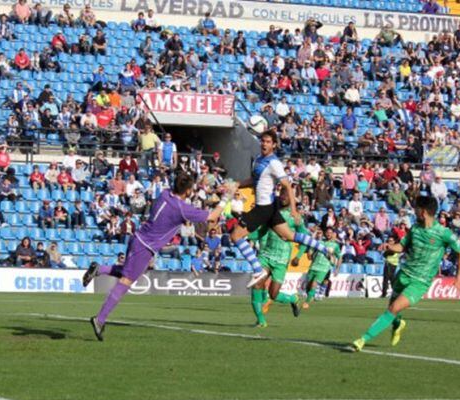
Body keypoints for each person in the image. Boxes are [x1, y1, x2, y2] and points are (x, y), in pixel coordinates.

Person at [81, 172, 236, 341]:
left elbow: (182, 191)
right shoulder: (182, 209)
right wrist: (225, 198)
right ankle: (100, 319)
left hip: (139, 239)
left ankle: (99, 269)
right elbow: (213, 216)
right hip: (145, 246)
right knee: (126, 281)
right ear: (188, 191)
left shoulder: (165, 194)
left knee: (133, 272)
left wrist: (201, 187)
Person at [348, 196, 460, 352]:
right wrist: (388, 246)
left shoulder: (443, 233)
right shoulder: (415, 229)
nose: (414, 211)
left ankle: (363, 339)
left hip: (420, 282)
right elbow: (401, 246)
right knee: (392, 309)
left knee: (393, 309)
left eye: (416, 208)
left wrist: (459, 278)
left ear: (423, 212)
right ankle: (398, 324)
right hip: (403, 274)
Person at [229, 130, 332, 288]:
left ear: (274, 145)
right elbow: (253, 180)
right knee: (289, 235)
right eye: (263, 141)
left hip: (263, 208)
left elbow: (288, 186)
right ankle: (323, 248)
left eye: (268, 141)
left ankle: (258, 270)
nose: (264, 144)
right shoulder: (257, 160)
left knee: (236, 236)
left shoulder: (274, 163)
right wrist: (237, 184)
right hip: (268, 208)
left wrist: (294, 210)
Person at [248, 187, 308, 328]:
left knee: (273, 294)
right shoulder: (271, 211)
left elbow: (305, 238)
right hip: (266, 255)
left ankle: (293, 298)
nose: (282, 197)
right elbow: (262, 231)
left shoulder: (295, 217)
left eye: (286, 195)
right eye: (281, 193)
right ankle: (261, 320)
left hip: (281, 260)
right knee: (257, 284)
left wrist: (299, 256)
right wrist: (248, 235)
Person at [299, 227, 341, 309]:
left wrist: (337, 268)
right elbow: (310, 251)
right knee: (309, 286)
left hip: (324, 268)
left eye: (330, 232)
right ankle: (310, 296)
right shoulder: (319, 242)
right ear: (325, 233)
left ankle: (307, 302)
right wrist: (310, 253)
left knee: (314, 284)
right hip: (313, 266)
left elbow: (339, 257)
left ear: (333, 234)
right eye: (327, 232)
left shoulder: (335, 245)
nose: (328, 234)